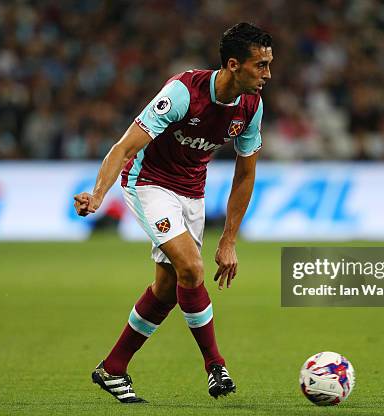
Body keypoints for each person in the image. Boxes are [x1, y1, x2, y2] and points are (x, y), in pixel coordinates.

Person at [73, 22, 272, 403]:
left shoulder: (251, 107)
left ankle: (113, 369)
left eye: (268, 65)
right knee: (192, 269)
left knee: (167, 289)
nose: (268, 74)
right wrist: (99, 194)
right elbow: (126, 145)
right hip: (148, 182)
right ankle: (216, 365)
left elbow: (245, 174)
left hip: (192, 192)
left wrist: (229, 240)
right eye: (260, 66)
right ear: (233, 64)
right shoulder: (183, 92)